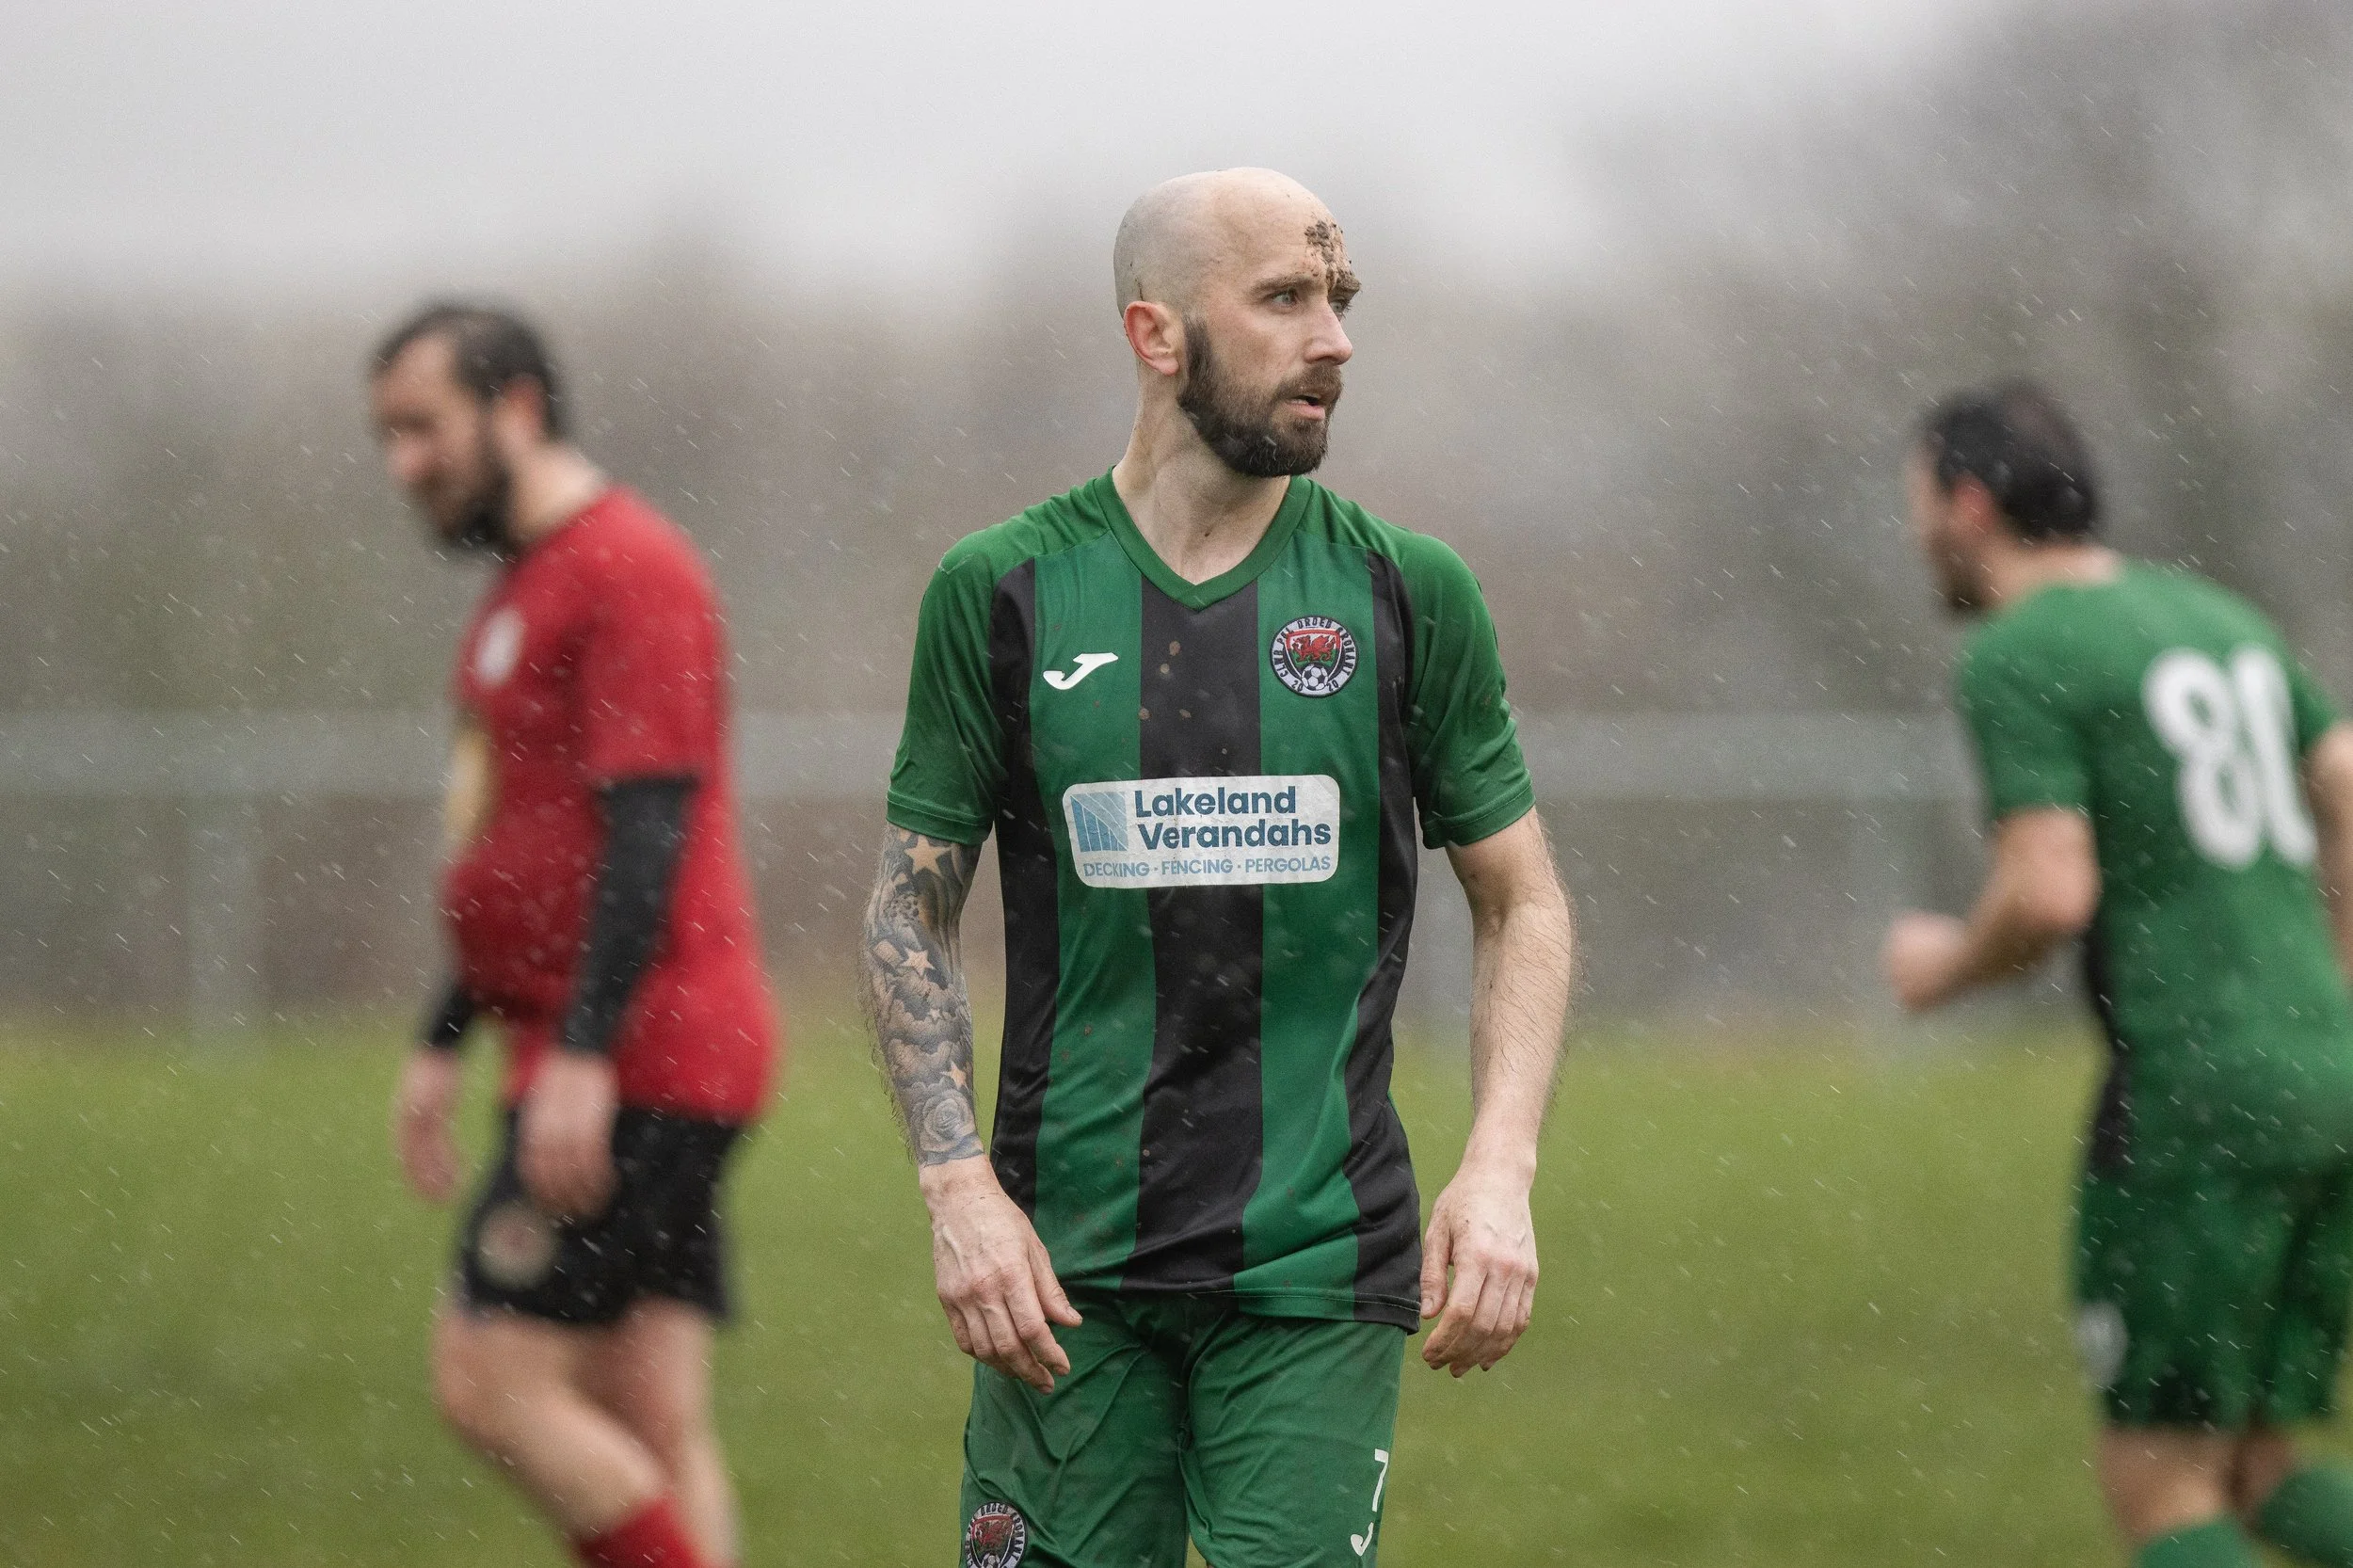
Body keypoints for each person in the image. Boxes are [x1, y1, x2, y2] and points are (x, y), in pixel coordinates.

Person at [860, 168, 1577, 1568]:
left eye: (1343, 299)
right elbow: (908, 906)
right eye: (1287, 298)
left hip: (1311, 1262)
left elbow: (1523, 898)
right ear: (1157, 334)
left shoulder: (1404, 591)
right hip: (1059, 1276)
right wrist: (958, 1192)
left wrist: (1499, 1167)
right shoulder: (1000, 590)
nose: (1336, 340)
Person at [1885, 380, 2353, 1568]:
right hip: (2325, 1072)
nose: (1915, 534)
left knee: (2159, 1485)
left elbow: (2049, 890)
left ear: (1970, 502)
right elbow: (2345, 780)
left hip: (2197, 1102)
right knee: (2258, 1468)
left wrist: (1943, 967)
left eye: (1918, 501)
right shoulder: (2215, 616)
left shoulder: (2020, 651)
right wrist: (2326, 981)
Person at [370, 303, 777, 1568]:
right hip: (593, 1046)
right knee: (642, 1414)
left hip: (639, 1057)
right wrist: (448, 1030)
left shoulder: (628, 568)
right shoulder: (528, 582)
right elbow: (520, 844)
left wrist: (589, 1055)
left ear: (519, 409)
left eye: (422, 428)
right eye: (386, 434)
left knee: (489, 1381)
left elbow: (649, 828)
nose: (403, 464)